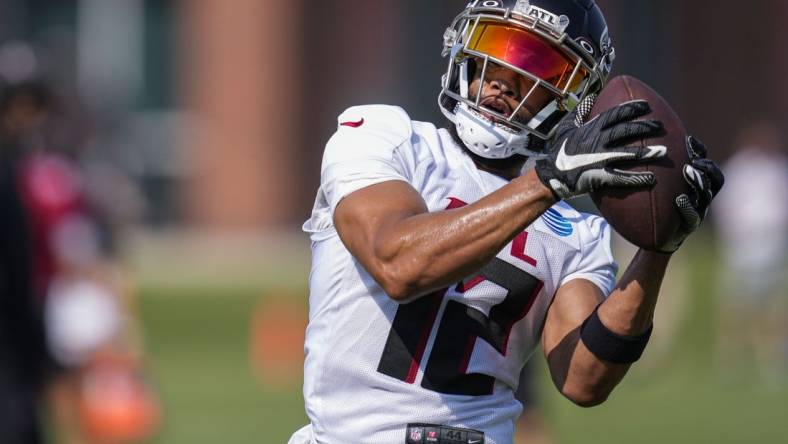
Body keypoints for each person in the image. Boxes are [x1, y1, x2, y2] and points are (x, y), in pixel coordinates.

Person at [293, 1, 724, 443]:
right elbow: (398, 264)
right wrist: (548, 182)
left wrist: (658, 248)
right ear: (463, 46)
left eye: (536, 62)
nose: (503, 75)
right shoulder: (385, 136)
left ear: (572, 97)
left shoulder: (575, 231)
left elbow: (584, 380)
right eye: (494, 45)